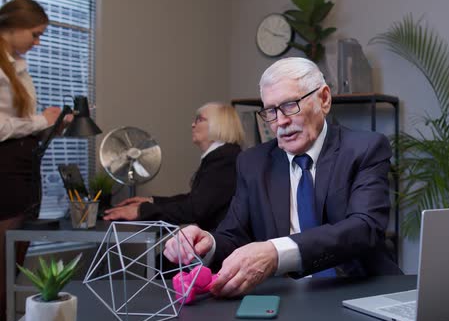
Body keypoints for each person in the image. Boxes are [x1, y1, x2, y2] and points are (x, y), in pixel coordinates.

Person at [164, 57, 401, 298]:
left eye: (290, 105)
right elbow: (233, 236)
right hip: (286, 296)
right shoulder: (252, 163)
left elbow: (364, 228)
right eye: (271, 111)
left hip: (360, 289)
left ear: (324, 99)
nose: (281, 121)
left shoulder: (365, 148)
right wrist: (207, 243)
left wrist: (277, 253)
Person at [0, 0, 60, 321]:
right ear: (13, 28)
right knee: (2, 267)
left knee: (13, 264)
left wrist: (49, 123)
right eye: (35, 35)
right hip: (4, 175)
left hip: (23, 174)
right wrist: (41, 120)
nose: (38, 43)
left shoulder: (17, 65)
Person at [104, 102, 244, 231]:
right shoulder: (222, 157)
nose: (192, 124)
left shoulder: (225, 161)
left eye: (199, 119)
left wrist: (141, 210)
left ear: (219, 125)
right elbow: (195, 199)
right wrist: (152, 202)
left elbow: (194, 209)